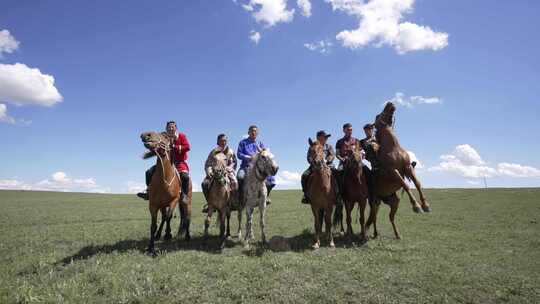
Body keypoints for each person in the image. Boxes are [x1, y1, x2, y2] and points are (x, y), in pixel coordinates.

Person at [137, 121, 191, 204]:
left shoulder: (181, 136)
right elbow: (157, 147)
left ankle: (184, 195)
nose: (170, 128)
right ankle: (148, 191)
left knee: (185, 176)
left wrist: (174, 146)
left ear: (176, 128)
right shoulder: (163, 137)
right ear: (166, 128)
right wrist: (149, 152)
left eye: (172, 127)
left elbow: (187, 147)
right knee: (149, 172)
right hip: (165, 163)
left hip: (179, 163)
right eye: (169, 127)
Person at [236, 125, 276, 204]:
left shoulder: (260, 143)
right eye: (252, 131)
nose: (253, 132)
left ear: (257, 133)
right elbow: (239, 154)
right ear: (248, 132)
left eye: (255, 131)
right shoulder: (242, 142)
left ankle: (266, 196)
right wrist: (248, 157)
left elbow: (265, 154)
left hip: (259, 167)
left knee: (271, 180)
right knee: (240, 177)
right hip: (246, 166)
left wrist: (265, 152)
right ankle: (240, 197)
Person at [201, 134, 238, 212]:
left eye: (225, 141)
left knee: (235, 182)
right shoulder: (214, 152)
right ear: (217, 142)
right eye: (221, 141)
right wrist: (209, 171)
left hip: (227, 172)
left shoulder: (230, 151)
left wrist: (230, 168)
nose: (223, 142)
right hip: (215, 172)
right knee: (204, 184)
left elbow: (234, 162)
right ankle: (209, 203)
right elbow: (208, 163)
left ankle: (233, 202)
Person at [301, 130, 336, 204]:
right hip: (314, 166)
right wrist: (313, 162)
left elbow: (332, 155)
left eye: (326, 137)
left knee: (337, 175)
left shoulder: (328, 146)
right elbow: (308, 157)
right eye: (324, 137)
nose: (326, 138)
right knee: (304, 175)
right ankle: (306, 195)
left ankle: (338, 194)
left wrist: (327, 160)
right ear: (318, 138)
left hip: (328, 165)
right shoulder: (313, 146)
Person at [335, 123, 359, 202]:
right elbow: (337, 154)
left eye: (351, 130)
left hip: (355, 161)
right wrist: (342, 159)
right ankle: (339, 193)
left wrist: (359, 157)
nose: (350, 131)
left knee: (367, 171)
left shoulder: (356, 141)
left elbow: (359, 151)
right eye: (348, 130)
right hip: (344, 162)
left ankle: (370, 192)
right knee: (338, 172)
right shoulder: (339, 142)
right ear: (344, 130)